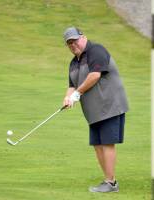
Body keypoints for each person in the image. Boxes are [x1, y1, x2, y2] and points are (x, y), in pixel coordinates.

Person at [62, 27, 129, 193]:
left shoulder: (96, 50)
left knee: (107, 143)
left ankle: (111, 183)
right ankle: (108, 181)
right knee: (97, 144)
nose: (72, 45)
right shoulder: (73, 62)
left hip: (109, 105)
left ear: (83, 37)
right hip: (94, 111)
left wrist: (77, 93)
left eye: (74, 40)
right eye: (69, 43)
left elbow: (95, 75)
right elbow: (72, 85)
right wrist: (68, 97)